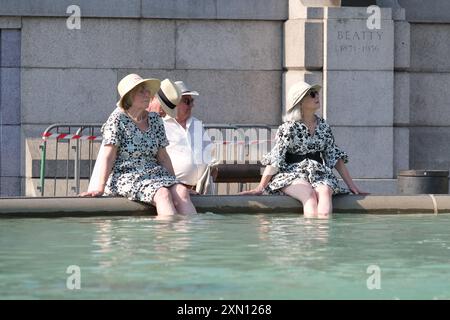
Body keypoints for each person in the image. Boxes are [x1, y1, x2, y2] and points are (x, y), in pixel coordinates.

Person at [240, 81, 364, 219]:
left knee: (324, 192)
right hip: (292, 174)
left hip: (319, 174)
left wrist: (352, 186)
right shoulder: (288, 128)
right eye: (312, 94)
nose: (317, 96)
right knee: (310, 196)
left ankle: (322, 237)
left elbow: (334, 156)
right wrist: (260, 187)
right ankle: (309, 238)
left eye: (316, 93)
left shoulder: (324, 127)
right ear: (300, 102)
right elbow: (276, 156)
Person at [81, 74, 197, 216]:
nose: (148, 94)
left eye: (148, 91)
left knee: (182, 191)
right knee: (163, 194)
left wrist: (175, 182)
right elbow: (108, 157)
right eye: (142, 91)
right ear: (129, 96)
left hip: (154, 174)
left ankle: (190, 236)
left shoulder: (155, 120)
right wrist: (99, 188)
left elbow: (163, 157)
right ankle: (169, 237)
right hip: (127, 175)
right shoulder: (117, 119)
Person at [147, 80, 214, 193]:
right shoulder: (159, 124)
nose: (192, 105)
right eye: (187, 101)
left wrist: (213, 166)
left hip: (200, 190)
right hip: (174, 190)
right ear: (175, 102)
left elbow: (209, 151)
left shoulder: (196, 123)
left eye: (192, 101)